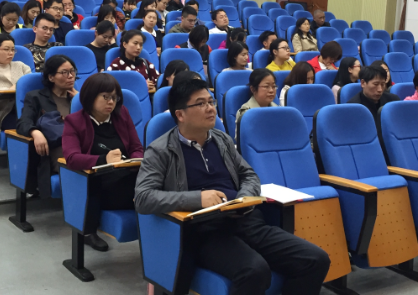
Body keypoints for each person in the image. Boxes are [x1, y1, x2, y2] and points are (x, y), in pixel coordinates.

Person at [135, 77, 330, 295]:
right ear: (180, 114)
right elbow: (143, 197)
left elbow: (249, 174)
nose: (210, 108)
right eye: (201, 104)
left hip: (246, 220)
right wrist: (197, 198)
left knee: (316, 259)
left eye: (211, 102)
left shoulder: (222, 140)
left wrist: (244, 198)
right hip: (207, 232)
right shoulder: (160, 150)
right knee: (254, 270)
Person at [63, 73, 145, 252]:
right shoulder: (74, 121)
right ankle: (88, 232)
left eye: (114, 98)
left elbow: (136, 147)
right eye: (106, 97)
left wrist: (135, 160)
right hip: (98, 183)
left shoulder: (122, 114)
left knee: (156, 180)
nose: (111, 102)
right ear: (90, 96)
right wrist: (103, 160)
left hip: (127, 175)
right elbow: (71, 158)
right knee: (149, 192)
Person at [17, 55, 78, 197]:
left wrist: (81, 101)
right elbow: (23, 122)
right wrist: (35, 132)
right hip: (57, 149)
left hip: (82, 145)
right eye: (64, 72)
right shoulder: (35, 97)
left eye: (72, 71)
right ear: (51, 77)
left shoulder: (79, 98)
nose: (71, 76)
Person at [347, 65, 399, 131]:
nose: (380, 89)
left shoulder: (393, 101)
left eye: (382, 84)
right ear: (363, 83)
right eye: (376, 84)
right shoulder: (353, 107)